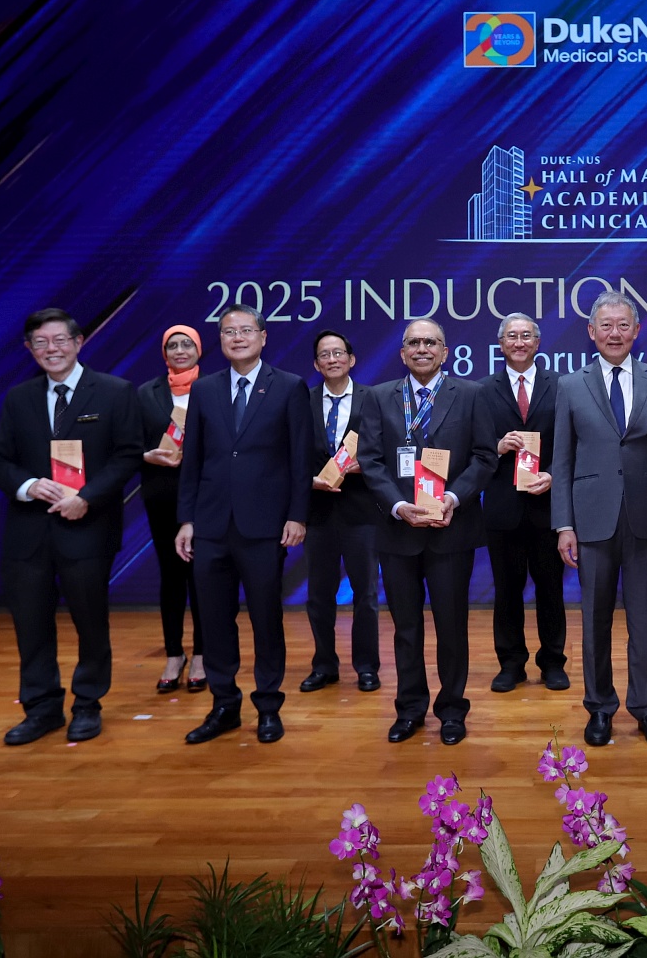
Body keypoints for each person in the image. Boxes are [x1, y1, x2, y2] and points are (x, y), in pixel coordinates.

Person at [0, 308, 141, 745]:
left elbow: (128, 455)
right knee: (31, 626)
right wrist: (29, 486)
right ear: (29, 349)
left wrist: (86, 497)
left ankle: (88, 704)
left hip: (87, 528)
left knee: (91, 624)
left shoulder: (114, 391)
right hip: (28, 533)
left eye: (59, 340)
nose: (50, 349)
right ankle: (41, 709)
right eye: (40, 342)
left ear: (78, 342)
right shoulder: (19, 398)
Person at [553, 291, 647, 748]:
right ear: (591, 332)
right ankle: (599, 707)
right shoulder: (570, 385)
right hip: (590, 519)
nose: (615, 333)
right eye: (606, 325)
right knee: (594, 621)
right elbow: (562, 461)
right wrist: (563, 525)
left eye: (623, 325)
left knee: (644, 621)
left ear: (637, 330)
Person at [176, 304, 312, 745]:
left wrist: (297, 514)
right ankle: (224, 705)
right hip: (211, 524)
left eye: (245, 330)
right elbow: (193, 460)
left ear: (263, 336)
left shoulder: (289, 386)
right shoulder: (204, 389)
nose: (237, 338)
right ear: (219, 340)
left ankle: (268, 705)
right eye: (228, 331)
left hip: (264, 525)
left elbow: (300, 458)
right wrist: (187, 519)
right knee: (214, 621)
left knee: (265, 619)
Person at [358, 318, 495, 745]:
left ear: (445, 351)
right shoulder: (379, 397)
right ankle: (410, 709)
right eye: (414, 343)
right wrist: (399, 506)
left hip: (451, 529)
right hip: (398, 530)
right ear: (402, 353)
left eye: (430, 342)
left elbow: (485, 457)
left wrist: (453, 497)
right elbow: (370, 460)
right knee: (405, 629)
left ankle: (452, 710)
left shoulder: (471, 394)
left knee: (451, 627)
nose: (422, 349)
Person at [477, 314, 568, 693]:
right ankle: (511, 663)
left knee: (551, 590)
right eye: (511, 336)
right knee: (507, 592)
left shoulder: (561, 386)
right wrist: (496, 447)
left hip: (547, 506)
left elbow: (572, 442)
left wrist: (554, 475)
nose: (519, 342)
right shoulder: (482, 390)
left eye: (526, 335)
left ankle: (553, 662)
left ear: (537, 342)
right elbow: (472, 446)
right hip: (503, 509)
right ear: (501, 344)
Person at [303, 329, 382, 695]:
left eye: (338, 353)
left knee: (365, 594)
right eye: (325, 354)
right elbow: (291, 453)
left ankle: (366, 667)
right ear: (316, 364)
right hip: (318, 511)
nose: (332, 359)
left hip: (362, 511)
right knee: (319, 595)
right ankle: (324, 665)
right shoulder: (302, 401)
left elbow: (387, 448)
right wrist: (309, 481)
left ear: (351, 360)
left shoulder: (373, 399)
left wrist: (366, 466)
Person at [137, 325, 207, 693]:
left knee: (203, 578)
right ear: (164, 353)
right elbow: (128, 442)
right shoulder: (145, 393)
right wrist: (145, 455)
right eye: (172, 345)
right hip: (162, 496)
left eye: (186, 344)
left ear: (198, 350)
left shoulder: (214, 389)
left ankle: (201, 655)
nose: (180, 350)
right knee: (172, 577)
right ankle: (174, 654)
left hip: (205, 497)